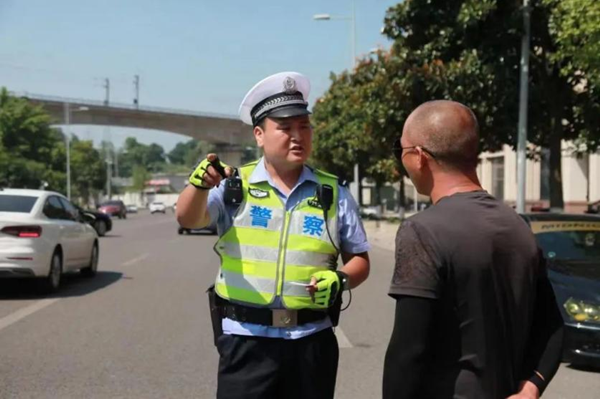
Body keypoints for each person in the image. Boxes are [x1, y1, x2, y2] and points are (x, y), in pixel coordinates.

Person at [176, 71, 370, 399]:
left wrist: (342, 280)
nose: (298, 136)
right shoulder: (233, 184)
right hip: (246, 341)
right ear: (259, 135)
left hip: (312, 341)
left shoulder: (333, 192)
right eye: (285, 127)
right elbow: (189, 218)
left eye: (304, 126)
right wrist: (197, 187)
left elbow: (360, 260)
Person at [382, 100, 564, 399]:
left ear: (418, 156)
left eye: (400, 150)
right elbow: (553, 326)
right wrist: (532, 388)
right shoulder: (518, 226)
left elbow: (408, 353)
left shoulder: (423, 231)